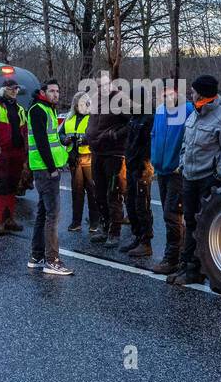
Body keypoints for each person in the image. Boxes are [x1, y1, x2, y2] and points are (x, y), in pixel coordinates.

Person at [168, 74, 221, 285]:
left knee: (204, 225)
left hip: (207, 179)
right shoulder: (195, 114)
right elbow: (186, 143)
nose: (191, 93)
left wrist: (218, 176)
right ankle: (185, 266)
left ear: (202, 93)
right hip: (189, 176)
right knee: (188, 222)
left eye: (193, 90)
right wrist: (182, 164)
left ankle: (197, 269)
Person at [26, 78, 73, 275]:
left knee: (43, 214)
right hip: (45, 170)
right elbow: (42, 142)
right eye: (52, 91)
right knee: (52, 215)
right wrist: (52, 168)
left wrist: (64, 142)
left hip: (45, 167)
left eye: (57, 91)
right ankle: (52, 260)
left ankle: (37, 256)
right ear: (43, 92)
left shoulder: (48, 109)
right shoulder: (38, 110)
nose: (56, 94)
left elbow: (52, 139)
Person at [149, 83, 192, 275]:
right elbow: (155, 135)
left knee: (172, 214)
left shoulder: (188, 110)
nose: (166, 97)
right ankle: (180, 254)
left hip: (177, 171)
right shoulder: (159, 110)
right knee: (171, 214)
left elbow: (190, 139)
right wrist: (153, 159)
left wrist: (181, 164)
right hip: (161, 169)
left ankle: (172, 258)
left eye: (170, 94)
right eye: (163, 94)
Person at [85, 74, 128, 247]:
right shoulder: (96, 101)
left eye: (105, 84)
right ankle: (104, 227)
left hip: (114, 154)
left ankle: (114, 232)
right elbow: (92, 122)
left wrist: (113, 135)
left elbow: (131, 123)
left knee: (114, 193)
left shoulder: (120, 100)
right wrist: (88, 134)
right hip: (97, 152)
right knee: (99, 194)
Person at [0, 78, 27, 233]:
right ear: (3, 90)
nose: (15, 91)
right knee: (1, 186)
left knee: (13, 187)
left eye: (16, 89)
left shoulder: (20, 108)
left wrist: (26, 152)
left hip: (17, 153)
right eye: (11, 89)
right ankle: (0, 221)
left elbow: (25, 131)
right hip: (3, 153)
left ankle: (9, 219)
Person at [121, 84, 155, 258]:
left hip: (142, 168)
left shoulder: (148, 118)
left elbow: (148, 145)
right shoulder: (134, 117)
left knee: (142, 205)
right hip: (132, 165)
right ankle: (137, 236)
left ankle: (146, 242)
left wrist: (143, 165)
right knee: (131, 203)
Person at [62, 91, 96, 232]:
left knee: (92, 190)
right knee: (77, 192)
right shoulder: (69, 118)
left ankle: (95, 222)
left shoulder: (93, 117)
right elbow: (60, 133)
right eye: (77, 104)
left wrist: (85, 140)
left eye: (82, 104)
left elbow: (96, 134)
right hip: (74, 158)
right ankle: (76, 222)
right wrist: (65, 139)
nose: (80, 106)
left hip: (89, 157)